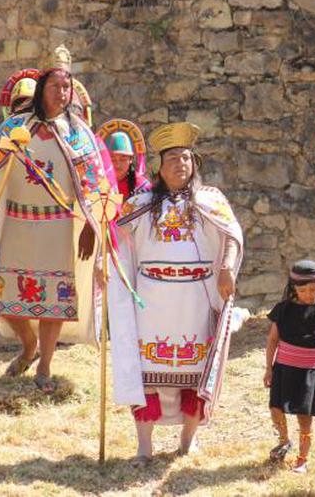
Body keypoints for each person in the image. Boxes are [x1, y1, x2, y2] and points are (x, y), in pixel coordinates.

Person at [0, 46, 109, 393]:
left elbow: (95, 187)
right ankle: (28, 346)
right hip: (18, 223)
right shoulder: (16, 127)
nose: (62, 93)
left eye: (67, 87)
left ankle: (44, 365)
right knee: (8, 300)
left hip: (59, 227)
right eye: (55, 86)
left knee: (53, 301)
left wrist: (89, 229)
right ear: (42, 87)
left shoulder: (78, 134)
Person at [109, 122, 244, 466]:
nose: (180, 164)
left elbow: (231, 235)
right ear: (159, 167)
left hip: (195, 299)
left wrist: (227, 266)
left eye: (186, 158)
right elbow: (115, 240)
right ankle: (144, 446)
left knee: (194, 370)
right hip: (152, 301)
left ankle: (188, 440)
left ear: (194, 163)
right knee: (146, 372)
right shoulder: (140, 203)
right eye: (172, 158)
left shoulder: (210, 200)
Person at [263, 260, 315, 473]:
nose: (308, 293)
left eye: (313, 289)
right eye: (302, 289)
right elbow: (272, 341)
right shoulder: (283, 309)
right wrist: (269, 368)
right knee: (275, 408)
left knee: (304, 417)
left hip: (308, 372)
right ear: (293, 287)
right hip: (283, 368)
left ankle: (302, 459)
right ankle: (284, 440)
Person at [97, 119, 151, 201]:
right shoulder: (97, 185)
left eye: (123, 159)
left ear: (130, 159)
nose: (117, 164)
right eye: (112, 159)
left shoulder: (142, 187)